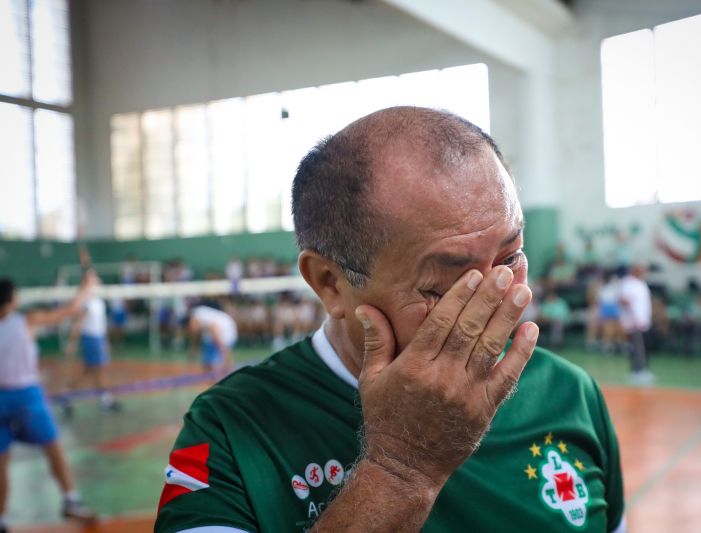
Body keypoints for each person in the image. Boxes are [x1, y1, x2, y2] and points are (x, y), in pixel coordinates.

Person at [155, 107, 625, 532]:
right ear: (330, 283)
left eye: (511, 257)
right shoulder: (233, 430)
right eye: (444, 286)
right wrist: (401, 470)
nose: (499, 302)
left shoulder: (569, 395)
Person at [0, 276, 98, 529]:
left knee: (1, 461)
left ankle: (1, 520)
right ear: (13, 299)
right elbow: (69, 311)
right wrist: (87, 289)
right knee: (54, 449)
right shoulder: (26, 320)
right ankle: (70, 500)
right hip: (25, 396)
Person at [63, 293, 120, 414]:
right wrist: (72, 342)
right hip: (90, 339)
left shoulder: (99, 301)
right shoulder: (87, 301)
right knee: (98, 369)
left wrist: (105, 340)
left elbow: (101, 323)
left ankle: (69, 395)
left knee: (91, 370)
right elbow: (79, 321)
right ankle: (105, 400)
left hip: (99, 339)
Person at [619, 265, 654, 386]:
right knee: (639, 348)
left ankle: (636, 371)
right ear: (634, 270)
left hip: (644, 321)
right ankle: (640, 372)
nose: (644, 272)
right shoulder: (628, 283)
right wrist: (632, 316)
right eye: (641, 269)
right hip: (634, 322)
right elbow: (623, 300)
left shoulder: (642, 284)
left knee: (641, 347)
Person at [187, 303, 237, 371]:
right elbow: (197, 333)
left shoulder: (201, 316)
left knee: (214, 362)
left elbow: (215, 330)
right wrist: (194, 348)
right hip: (225, 331)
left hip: (226, 333)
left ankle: (221, 370)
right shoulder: (200, 316)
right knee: (208, 361)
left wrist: (224, 352)